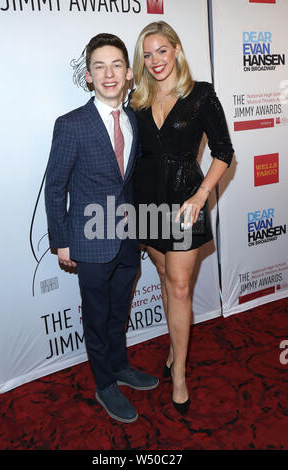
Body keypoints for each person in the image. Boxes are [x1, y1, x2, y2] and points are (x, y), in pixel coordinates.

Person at [45, 33, 158, 424]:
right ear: (89, 76)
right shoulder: (71, 125)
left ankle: (120, 364)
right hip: (89, 242)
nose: (108, 73)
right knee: (96, 315)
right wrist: (61, 242)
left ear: (129, 74)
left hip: (128, 239)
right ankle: (104, 382)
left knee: (118, 310)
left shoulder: (133, 121)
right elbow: (55, 186)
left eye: (116, 65)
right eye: (99, 66)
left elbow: (130, 180)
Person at [130, 21, 234, 415]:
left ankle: (179, 375)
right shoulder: (136, 101)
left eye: (161, 50)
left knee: (177, 286)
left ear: (176, 50)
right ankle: (175, 349)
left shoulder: (200, 95)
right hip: (147, 205)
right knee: (163, 276)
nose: (155, 60)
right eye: (147, 53)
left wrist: (202, 193)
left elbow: (223, 151)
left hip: (186, 202)